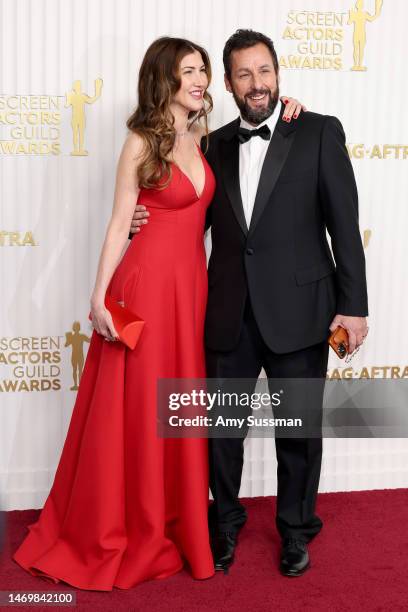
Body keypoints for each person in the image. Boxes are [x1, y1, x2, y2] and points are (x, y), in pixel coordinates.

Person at [12, 34, 304, 590]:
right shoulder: (140, 141)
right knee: (143, 411)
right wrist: (99, 298)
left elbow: (250, 185)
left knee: (181, 413)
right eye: (187, 72)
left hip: (192, 293)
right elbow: (121, 221)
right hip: (145, 289)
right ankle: (131, 525)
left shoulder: (208, 140)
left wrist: (291, 109)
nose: (199, 81)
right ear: (164, 80)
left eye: (202, 71)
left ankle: (176, 520)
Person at [129, 29, 369, 578]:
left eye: (265, 71)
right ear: (230, 83)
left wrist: (353, 306)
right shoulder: (209, 145)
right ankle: (224, 528)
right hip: (228, 313)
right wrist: (143, 216)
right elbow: (185, 206)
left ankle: (296, 531)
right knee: (221, 435)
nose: (257, 83)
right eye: (244, 74)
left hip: (303, 313)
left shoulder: (318, 131)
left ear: (278, 73)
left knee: (298, 434)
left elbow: (345, 227)